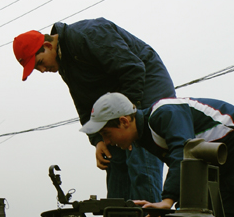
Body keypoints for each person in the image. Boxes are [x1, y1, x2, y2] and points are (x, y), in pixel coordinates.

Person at [13, 19, 176, 202]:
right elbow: (84, 104)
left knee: (139, 160)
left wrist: (129, 119)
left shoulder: (88, 35)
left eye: (40, 63)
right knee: (114, 161)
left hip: (146, 89)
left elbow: (133, 69)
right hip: (118, 101)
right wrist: (99, 140)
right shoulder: (65, 64)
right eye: (37, 69)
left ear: (47, 45)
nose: (42, 70)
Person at [81, 92, 234, 217]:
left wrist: (167, 201)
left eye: (107, 134)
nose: (107, 141)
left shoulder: (164, 113)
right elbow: (187, 166)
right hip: (218, 167)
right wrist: (172, 212)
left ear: (124, 121)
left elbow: (184, 152)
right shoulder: (145, 137)